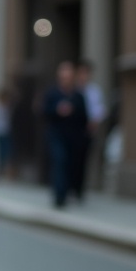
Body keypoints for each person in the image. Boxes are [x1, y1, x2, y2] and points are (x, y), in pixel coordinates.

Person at [43, 60, 87, 209]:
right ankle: (59, 196)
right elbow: (44, 112)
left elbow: (84, 117)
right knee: (60, 162)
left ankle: (71, 191)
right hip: (57, 135)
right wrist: (57, 110)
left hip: (74, 137)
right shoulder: (52, 93)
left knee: (71, 165)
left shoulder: (78, 96)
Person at [71, 60, 106, 200]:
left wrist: (95, 121)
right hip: (73, 130)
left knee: (83, 160)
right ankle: (71, 187)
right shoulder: (73, 90)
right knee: (70, 160)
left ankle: (79, 189)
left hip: (87, 131)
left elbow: (100, 109)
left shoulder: (94, 91)